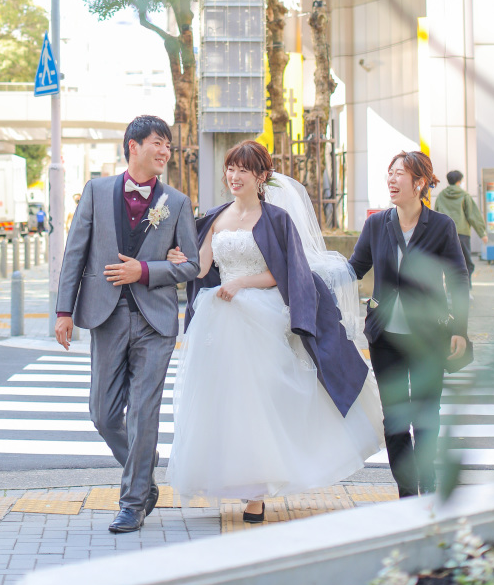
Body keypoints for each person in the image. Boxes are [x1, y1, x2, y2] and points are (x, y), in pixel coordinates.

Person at [165, 141, 383, 523]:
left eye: (242, 170)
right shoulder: (215, 217)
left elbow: (284, 271)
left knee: (260, 401)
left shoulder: (276, 219)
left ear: (261, 176)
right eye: (231, 169)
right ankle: (234, 479)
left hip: (260, 316)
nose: (233, 177)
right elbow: (200, 270)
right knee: (223, 402)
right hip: (217, 320)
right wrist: (179, 261)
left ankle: (257, 492)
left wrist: (242, 283)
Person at [55, 114, 199, 534]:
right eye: (158, 142)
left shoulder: (175, 201)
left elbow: (192, 264)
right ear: (133, 146)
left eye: (168, 146)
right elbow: (74, 254)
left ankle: (132, 502)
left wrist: (147, 271)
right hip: (106, 317)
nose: (165, 151)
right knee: (102, 414)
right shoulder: (97, 192)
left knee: (143, 414)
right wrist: (64, 312)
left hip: (155, 323)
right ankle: (143, 466)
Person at [349, 151, 469, 498]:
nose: (391, 179)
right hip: (385, 337)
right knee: (396, 418)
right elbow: (355, 268)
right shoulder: (376, 224)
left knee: (427, 413)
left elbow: (458, 276)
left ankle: (428, 480)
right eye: (389, 172)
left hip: (429, 337)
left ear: (419, 183)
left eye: (399, 173)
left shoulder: (442, 226)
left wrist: (459, 327)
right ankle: (406, 492)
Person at [434, 170, 487, 288]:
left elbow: (436, 214)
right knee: (466, 263)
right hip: (462, 235)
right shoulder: (464, 195)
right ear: (459, 181)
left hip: (445, 235)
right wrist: (482, 233)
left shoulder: (441, 196)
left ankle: (449, 291)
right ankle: (466, 289)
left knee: (449, 263)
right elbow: (473, 215)